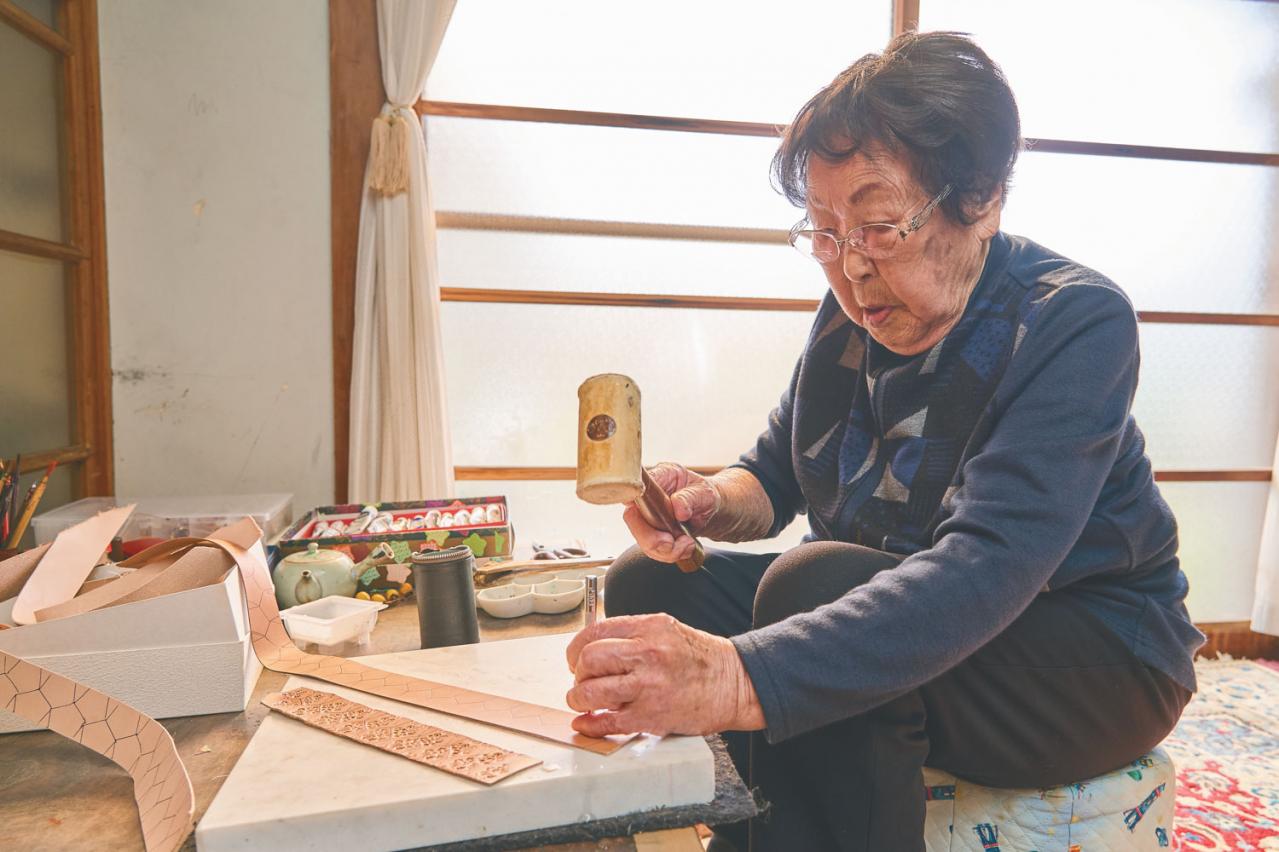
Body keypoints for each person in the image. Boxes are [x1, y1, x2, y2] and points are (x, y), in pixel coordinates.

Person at [563, 31, 1203, 851]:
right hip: (921, 611)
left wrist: (738, 675)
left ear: (981, 199)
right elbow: (774, 473)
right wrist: (705, 500)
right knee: (653, 584)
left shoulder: (1072, 319)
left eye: (875, 225)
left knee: (812, 585)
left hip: (1089, 654)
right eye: (824, 232)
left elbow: (988, 565)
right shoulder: (855, 312)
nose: (850, 268)